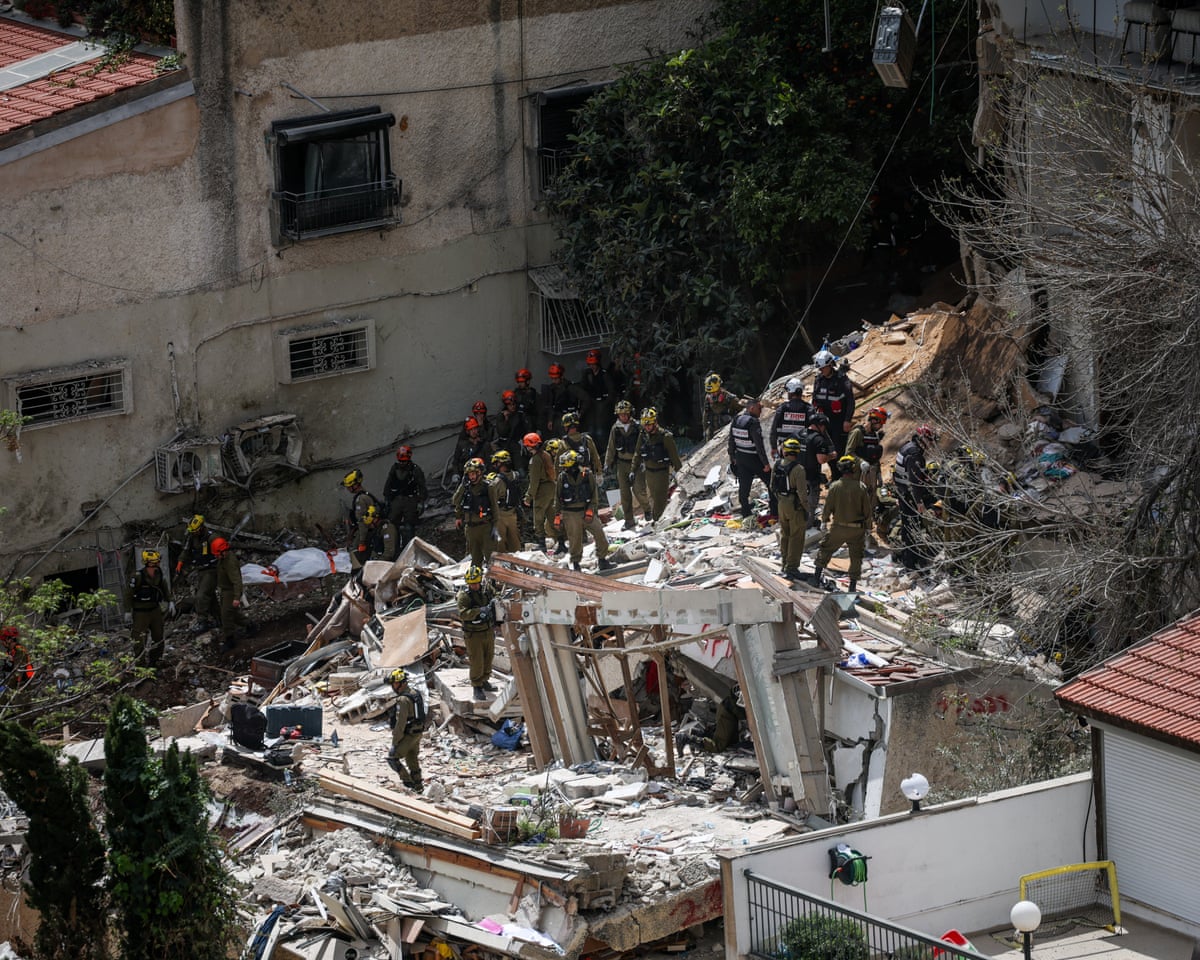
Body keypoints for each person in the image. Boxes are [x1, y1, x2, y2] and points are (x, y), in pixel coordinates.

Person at [811, 456, 874, 592]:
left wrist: (824, 521)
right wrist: (869, 528)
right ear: (853, 469)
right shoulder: (861, 487)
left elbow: (828, 507)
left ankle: (816, 578)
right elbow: (867, 510)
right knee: (856, 557)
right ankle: (852, 587)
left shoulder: (835, 487)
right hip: (856, 529)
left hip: (838, 528)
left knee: (825, 550)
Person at [554, 449, 615, 572]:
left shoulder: (587, 474)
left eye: (567, 466)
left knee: (600, 533)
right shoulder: (562, 477)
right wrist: (557, 515)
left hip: (586, 510)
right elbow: (557, 497)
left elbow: (594, 495)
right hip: (570, 513)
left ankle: (602, 560)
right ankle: (576, 564)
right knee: (575, 540)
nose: (565, 469)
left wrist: (591, 510)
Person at [893, 424, 940, 571]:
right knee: (912, 527)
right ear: (923, 439)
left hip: (903, 492)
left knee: (908, 526)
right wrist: (919, 502)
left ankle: (908, 557)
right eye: (930, 440)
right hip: (909, 495)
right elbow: (914, 481)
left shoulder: (908, 447)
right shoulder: (915, 454)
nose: (932, 444)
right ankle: (910, 562)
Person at [845, 407, 888, 547]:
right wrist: (860, 462)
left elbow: (875, 456)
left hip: (872, 474)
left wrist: (879, 474)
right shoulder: (858, 432)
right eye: (879, 423)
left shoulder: (875, 435)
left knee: (869, 505)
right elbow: (849, 452)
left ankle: (867, 534)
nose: (880, 426)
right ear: (873, 420)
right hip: (859, 473)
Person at [605, 400, 650, 531]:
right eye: (621, 415)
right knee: (624, 495)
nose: (623, 417)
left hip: (636, 463)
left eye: (626, 414)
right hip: (621, 464)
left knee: (638, 490)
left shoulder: (637, 427)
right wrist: (607, 463)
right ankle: (629, 521)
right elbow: (611, 447)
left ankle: (647, 510)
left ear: (630, 414)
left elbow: (645, 443)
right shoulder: (615, 429)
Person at [631, 407, 682, 521]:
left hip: (661, 473)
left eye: (649, 424)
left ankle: (657, 521)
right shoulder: (643, 435)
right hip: (649, 473)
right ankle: (659, 519)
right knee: (654, 498)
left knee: (660, 500)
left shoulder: (665, 437)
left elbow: (674, 457)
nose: (647, 427)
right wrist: (632, 470)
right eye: (645, 425)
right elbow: (637, 453)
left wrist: (681, 474)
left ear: (655, 422)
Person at [125, 548, 174, 666]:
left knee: (158, 636)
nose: (158, 564)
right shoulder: (137, 577)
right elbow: (128, 594)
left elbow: (165, 589)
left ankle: (155, 660)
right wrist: (127, 611)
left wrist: (170, 601)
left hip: (155, 610)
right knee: (139, 639)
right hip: (140, 612)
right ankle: (140, 665)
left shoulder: (159, 575)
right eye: (156, 562)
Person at [457, 565, 498, 701]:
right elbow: (463, 614)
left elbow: (496, 596)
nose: (473, 586)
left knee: (488, 658)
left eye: (475, 583)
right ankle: (476, 686)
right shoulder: (464, 596)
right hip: (473, 634)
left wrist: (494, 603)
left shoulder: (486, 590)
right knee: (477, 661)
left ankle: (484, 680)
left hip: (487, 631)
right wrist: (480, 611)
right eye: (471, 583)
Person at [770, 438, 808, 580]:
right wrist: (806, 509)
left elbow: (772, 486)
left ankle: (784, 563)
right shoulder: (799, 469)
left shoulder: (777, 464)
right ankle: (792, 568)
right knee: (796, 537)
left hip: (781, 503)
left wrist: (781, 499)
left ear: (784, 450)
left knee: (785, 534)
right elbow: (803, 494)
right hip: (795, 505)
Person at [728, 398, 771, 519]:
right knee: (771, 483)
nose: (761, 411)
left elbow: (731, 440)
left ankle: (746, 513)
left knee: (744, 488)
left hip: (741, 458)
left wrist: (732, 456)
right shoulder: (753, 422)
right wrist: (766, 464)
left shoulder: (736, 419)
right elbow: (759, 446)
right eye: (759, 408)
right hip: (754, 458)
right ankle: (775, 511)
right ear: (751, 408)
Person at [452, 458, 499, 566]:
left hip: (486, 527)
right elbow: (456, 501)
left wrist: (495, 526)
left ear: (480, 472)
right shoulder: (466, 487)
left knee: (491, 558)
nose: (472, 477)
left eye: (474, 474)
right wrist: (462, 486)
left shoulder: (488, 487)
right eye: (469, 474)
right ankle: (475, 581)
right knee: (473, 559)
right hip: (470, 528)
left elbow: (495, 508)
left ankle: (493, 582)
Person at [175, 514, 218, 631]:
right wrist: (180, 562)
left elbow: (223, 552)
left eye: (195, 531)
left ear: (201, 528)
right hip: (200, 569)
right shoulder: (192, 537)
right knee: (210, 596)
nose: (193, 533)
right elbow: (186, 550)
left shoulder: (211, 537)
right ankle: (220, 619)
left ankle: (202, 621)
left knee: (201, 595)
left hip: (212, 569)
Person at [386, 668, 425, 791]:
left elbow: (400, 723)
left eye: (395, 683)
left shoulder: (403, 700)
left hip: (408, 735)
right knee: (412, 759)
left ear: (402, 683)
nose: (393, 686)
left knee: (393, 758)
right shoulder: (415, 693)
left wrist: (395, 742)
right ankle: (419, 787)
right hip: (418, 733)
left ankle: (408, 784)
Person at [810, 349, 856, 455]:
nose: (821, 370)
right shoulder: (819, 380)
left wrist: (847, 420)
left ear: (830, 365)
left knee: (840, 449)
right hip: (824, 423)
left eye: (823, 367)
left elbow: (850, 401)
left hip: (839, 421)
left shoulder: (841, 380)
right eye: (819, 368)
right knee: (827, 450)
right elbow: (814, 400)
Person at [211, 536, 252, 650]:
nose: (215, 556)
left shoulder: (230, 562)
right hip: (225, 591)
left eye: (216, 553)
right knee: (232, 614)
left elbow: (237, 581)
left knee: (226, 615)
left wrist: (236, 597)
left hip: (230, 592)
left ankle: (230, 639)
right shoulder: (222, 560)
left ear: (223, 552)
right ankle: (249, 625)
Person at [383, 445, 427, 548]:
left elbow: (422, 486)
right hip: (396, 499)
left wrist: (421, 501)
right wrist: (387, 499)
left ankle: (409, 548)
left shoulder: (415, 469)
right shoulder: (394, 468)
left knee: (409, 526)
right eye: (401, 461)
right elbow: (388, 484)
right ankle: (395, 549)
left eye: (405, 461)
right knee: (393, 525)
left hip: (410, 499)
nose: (403, 464)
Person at [522, 433, 558, 553]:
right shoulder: (546, 455)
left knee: (538, 518)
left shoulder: (535, 460)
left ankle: (542, 544)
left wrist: (528, 497)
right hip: (551, 487)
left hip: (541, 490)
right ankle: (561, 540)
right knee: (552, 515)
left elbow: (534, 481)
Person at [799, 412, 836, 526]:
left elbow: (785, 451)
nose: (824, 429)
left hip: (796, 475)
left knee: (798, 501)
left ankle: (798, 521)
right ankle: (808, 525)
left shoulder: (799, 433)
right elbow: (821, 459)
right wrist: (832, 456)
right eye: (824, 426)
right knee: (811, 503)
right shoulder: (818, 440)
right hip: (811, 476)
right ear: (820, 425)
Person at [677, 692, 745, 753]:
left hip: (728, 708)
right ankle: (686, 739)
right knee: (718, 745)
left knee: (731, 741)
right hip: (728, 712)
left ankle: (697, 733)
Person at [488, 449, 523, 552]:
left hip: (500, 515)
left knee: (499, 545)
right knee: (515, 544)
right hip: (513, 513)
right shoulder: (516, 475)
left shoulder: (497, 481)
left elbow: (491, 499)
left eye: (496, 463)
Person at [769, 377, 813, 455]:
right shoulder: (808, 408)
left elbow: (773, 430)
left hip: (785, 450)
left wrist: (774, 448)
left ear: (791, 391)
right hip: (803, 450)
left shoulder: (782, 408)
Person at [541, 363, 584, 439]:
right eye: (552, 379)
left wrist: (580, 413)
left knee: (569, 439)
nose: (554, 381)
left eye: (556, 378)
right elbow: (551, 404)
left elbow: (585, 399)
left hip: (569, 418)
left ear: (561, 377)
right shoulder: (552, 388)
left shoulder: (570, 387)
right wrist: (550, 419)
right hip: (557, 418)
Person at [339, 469, 380, 551]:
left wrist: (361, 542)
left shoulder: (360, 500)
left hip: (369, 532)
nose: (347, 489)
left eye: (348, 487)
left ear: (354, 486)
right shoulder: (365, 494)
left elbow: (362, 522)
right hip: (372, 531)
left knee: (356, 554)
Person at [580, 349, 613, 437]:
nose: (592, 366)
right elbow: (584, 388)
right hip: (591, 402)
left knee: (600, 426)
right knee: (590, 426)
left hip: (602, 402)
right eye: (590, 364)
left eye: (593, 364)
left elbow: (611, 391)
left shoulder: (604, 374)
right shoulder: (587, 374)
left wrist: (606, 402)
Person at [702, 373, 742, 441]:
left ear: (720, 388)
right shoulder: (708, 400)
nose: (713, 395)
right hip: (714, 430)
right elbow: (705, 416)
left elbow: (741, 409)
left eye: (715, 392)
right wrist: (705, 430)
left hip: (728, 430)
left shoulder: (729, 398)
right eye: (710, 393)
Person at [494, 389, 530, 462]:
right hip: (505, 445)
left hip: (518, 445)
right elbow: (502, 432)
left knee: (521, 470)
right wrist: (506, 420)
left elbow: (528, 428)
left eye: (513, 404)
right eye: (509, 405)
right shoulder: (501, 416)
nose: (512, 406)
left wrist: (524, 441)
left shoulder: (520, 414)